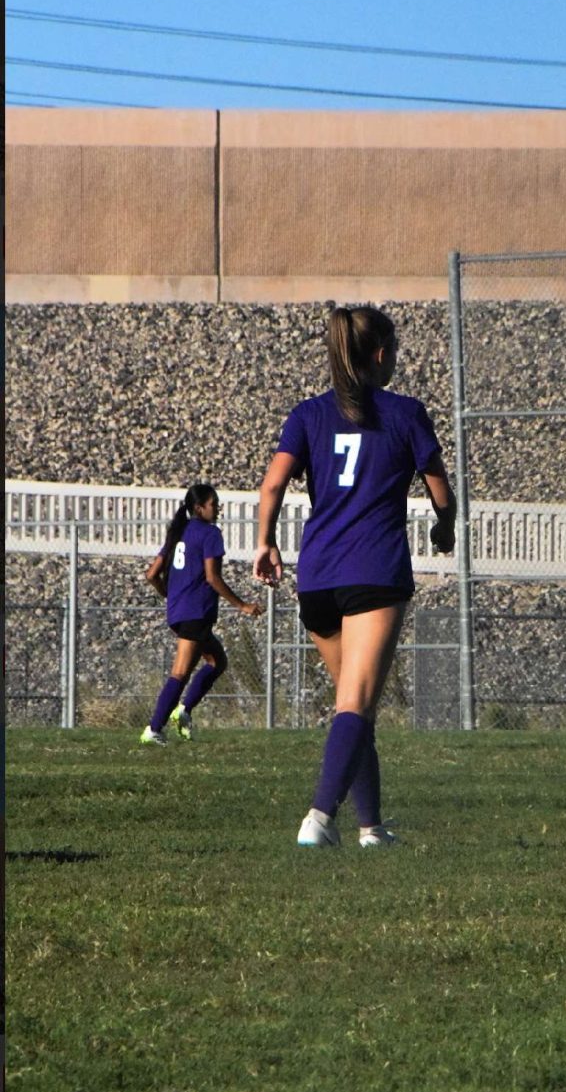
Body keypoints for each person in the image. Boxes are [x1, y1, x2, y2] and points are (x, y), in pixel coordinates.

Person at [253, 305, 456, 847]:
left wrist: (266, 543)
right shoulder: (407, 413)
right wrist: (445, 530)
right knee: (356, 703)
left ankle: (371, 826)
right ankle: (319, 819)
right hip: (373, 571)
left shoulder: (307, 414)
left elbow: (272, 486)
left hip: (317, 575)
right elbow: (441, 493)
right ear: (382, 354)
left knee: (354, 701)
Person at [141, 483, 262, 745]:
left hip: (179, 612)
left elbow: (151, 574)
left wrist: (169, 594)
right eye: (214, 503)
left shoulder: (179, 532)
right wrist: (242, 605)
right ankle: (153, 729)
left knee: (217, 661)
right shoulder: (210, 534)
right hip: (196, 612)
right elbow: (212, 577)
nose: (218, 508)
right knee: (180, 673)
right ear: (199, 508)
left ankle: (183, 711)